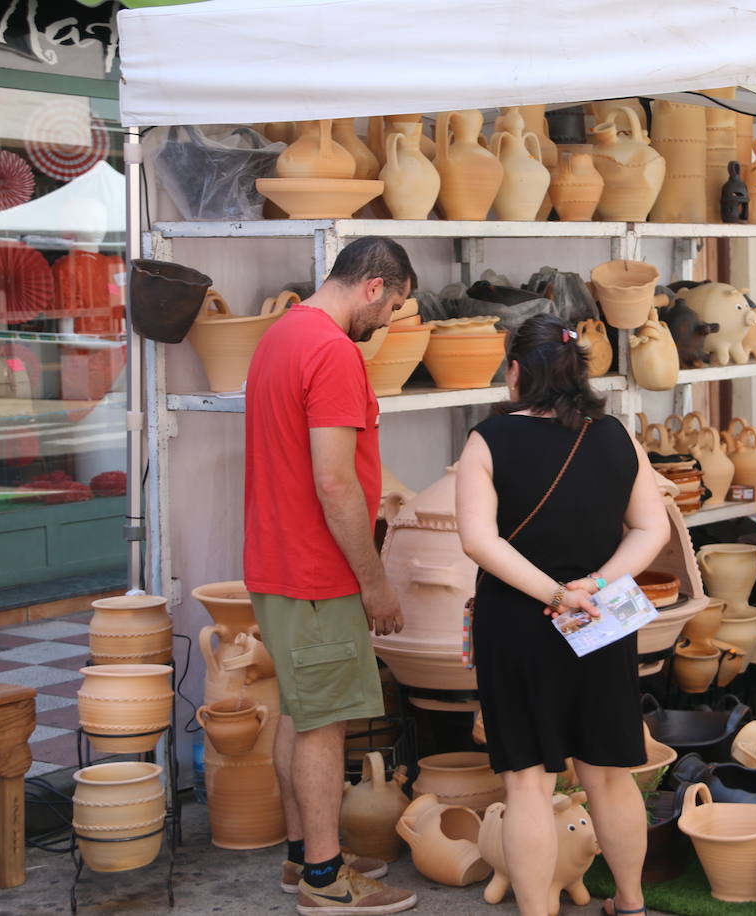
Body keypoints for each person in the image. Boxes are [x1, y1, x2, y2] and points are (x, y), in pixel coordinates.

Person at [454, 313, 671, 916]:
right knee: (608, 773)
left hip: (519, 624)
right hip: (600, 619)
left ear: (517, 370)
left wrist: (553, 594)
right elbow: (652, 527)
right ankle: (629, 903)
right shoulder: (616, 436)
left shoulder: (488, 441)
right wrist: (596, 586)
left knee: (527, 781)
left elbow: (479, 541)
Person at [244, 236, 418, 916]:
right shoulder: (333, 352)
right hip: (317, 572)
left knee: (302, 712)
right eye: (395, 306)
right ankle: (325, 880)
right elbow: (336, 484)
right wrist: (374, 582)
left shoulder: (280, 336)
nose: (391, 322)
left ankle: (301, 857)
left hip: (276, 563)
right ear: (373, 287)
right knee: (326, 725)